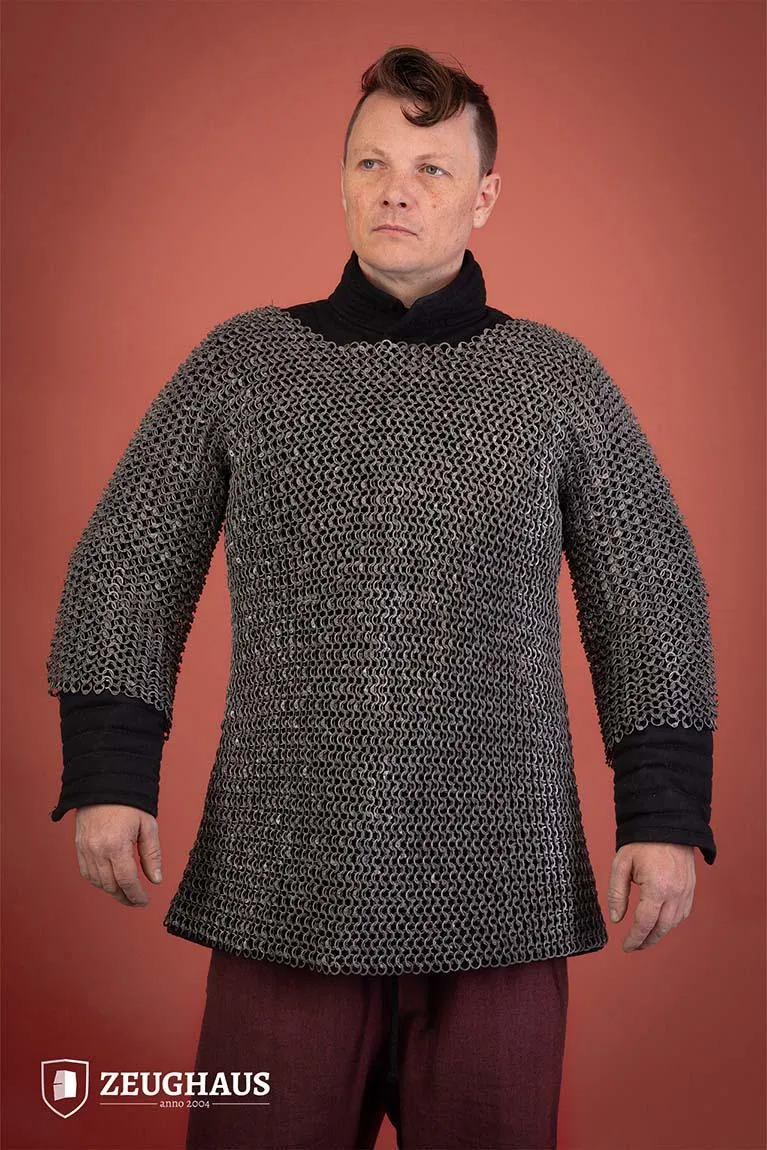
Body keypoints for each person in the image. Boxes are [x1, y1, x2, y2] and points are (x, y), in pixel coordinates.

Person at [46, 44, 718, 1150]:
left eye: (429, 167)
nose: (395, 190)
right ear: (342, 181)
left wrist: (662, 811)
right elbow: (132, 553)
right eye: (371, 163)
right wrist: (112, 770)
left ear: (482, 195)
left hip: (497, 876)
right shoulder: (246, 363)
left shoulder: (555, 380)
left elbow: (646, 592)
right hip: (286, 873)